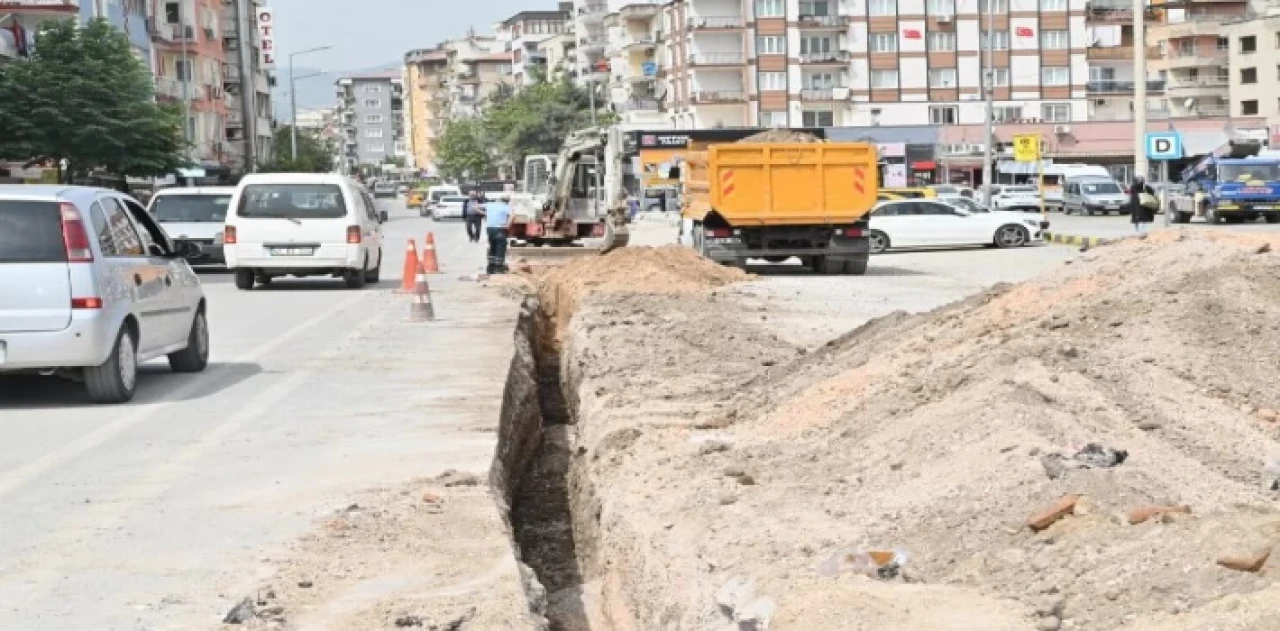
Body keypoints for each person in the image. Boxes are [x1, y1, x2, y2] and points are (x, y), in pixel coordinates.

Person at [482, 194, 513, 274]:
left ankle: (490, 266)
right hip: (500, 229)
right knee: (500, 247)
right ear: (507, 201)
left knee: (492, 246)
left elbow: (475, 207)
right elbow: (513, 216)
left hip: (490, 229)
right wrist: (508, 225)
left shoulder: (490, 205)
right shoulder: (506, 207)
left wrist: (486, 214)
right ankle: (498, 268)